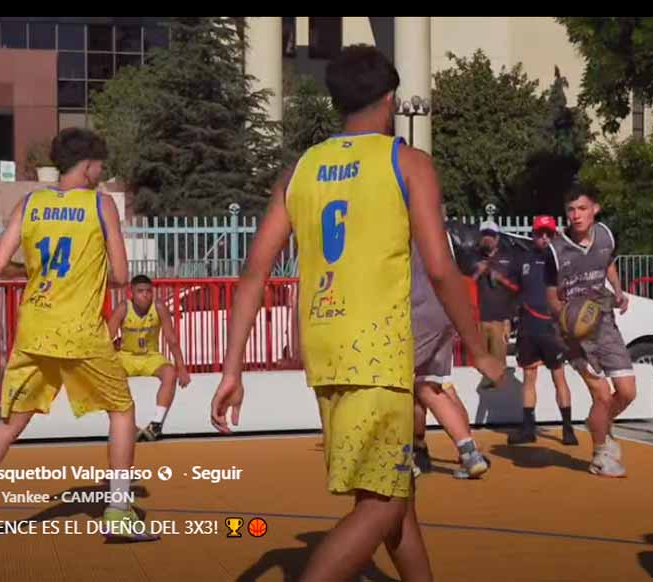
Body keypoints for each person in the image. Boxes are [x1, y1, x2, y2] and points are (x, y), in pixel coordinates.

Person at [209, 45, 504, 582]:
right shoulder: (407, 162)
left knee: (394, 494)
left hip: (324, 350)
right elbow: (441, 269)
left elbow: (254, 272)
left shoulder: (300, 170)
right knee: (383, 503)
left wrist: (232, 369)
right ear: (391, 99)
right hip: (380, 352)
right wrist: (479, 350)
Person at [0, 128, 157, 544]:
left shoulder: (30, 202)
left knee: (7, 424)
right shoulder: (100, 203)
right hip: (79, 331)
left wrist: (32, 273)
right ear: (90, 166)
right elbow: (123, 276)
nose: (102, 171)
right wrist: (89, 275)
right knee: (122, 410)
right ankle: (119, 508)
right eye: (100, 164)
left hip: (34, 328)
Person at [546, 183, 635, 477]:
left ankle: (598, 425)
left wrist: (618, 291)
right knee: (602, 396)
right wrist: (569, 322)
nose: (576, 215)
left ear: (595, 209)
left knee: (627, 392)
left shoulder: (606, 235)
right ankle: (600, 456)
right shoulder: (555, 250)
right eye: (571, 210)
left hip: (604, 320)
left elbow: (607, 263)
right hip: (574, 334)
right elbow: (550, 296)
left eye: (582, 208)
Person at [410, 224, 490, 479]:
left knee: (398, 385)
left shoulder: (404, 224)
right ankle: (469, 453)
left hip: (418, 312)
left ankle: (404, 455)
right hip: (445, 311)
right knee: (432, 386)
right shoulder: (440, 230)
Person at [508, 215, 577, 446]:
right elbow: (514, 290)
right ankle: (528, 428)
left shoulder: (562, 262)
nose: (544, 238)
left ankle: (568, 429)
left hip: (551, 328)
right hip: (528, 328)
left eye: (549, 234)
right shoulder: (523, 260)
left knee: (559, 376)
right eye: (540, 234)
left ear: (555, 235)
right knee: (529, 376)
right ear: (534, 235)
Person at [108, 274, 192, 441]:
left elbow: (171, 339)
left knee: (170, 374)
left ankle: (156, 424)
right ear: (131, 292)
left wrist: (181, 367)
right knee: (109, 377)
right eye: (140, 291)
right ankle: (128, 426)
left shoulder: (159, 307)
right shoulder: (123, 308)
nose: (145, 295)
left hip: (151, 356)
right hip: (126, 356)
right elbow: (107, 337)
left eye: (148, 291)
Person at [473, 220, 520, 387]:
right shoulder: (473, 257)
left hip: (500, 320)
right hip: (478, 319)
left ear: (497, 238)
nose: (487, 239)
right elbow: (463, 286)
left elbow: (517, 288)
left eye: (491, 236)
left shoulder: (509, 258)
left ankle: (499, 403)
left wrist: (500, 279)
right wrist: (478, 273)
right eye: (484, 236)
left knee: (499, 365)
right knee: (478, 366)